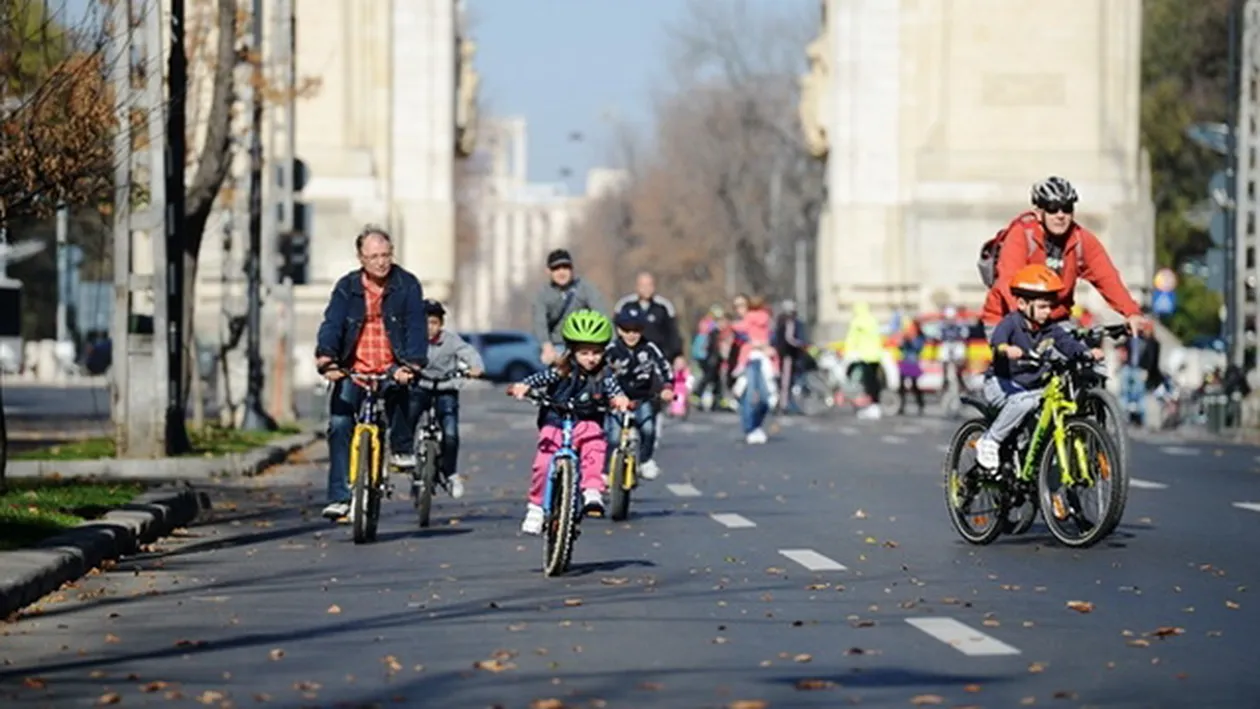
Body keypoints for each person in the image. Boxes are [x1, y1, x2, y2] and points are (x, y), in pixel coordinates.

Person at [314, 226, 428, 520]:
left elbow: (416, 327)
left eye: (385, 255)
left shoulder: (407, 284)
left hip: (393, 365)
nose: (381, 262)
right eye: (373, 256)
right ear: (360, 258)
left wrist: (412, 364)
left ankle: (401, 447)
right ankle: (340, 497)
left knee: (408, 395)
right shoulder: (346, 287)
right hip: (353, 367)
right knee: (340, 424)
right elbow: (332, 324)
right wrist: (327, 359)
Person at [507, 309, 631, 534]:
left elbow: (614, 390)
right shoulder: (561, 370)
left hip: (587, 420)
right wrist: (524, 386)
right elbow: (540, 378)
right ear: (572, 351)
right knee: (543, 464)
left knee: (596, 445)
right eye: (584, 352)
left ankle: (592, 491)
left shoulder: (605, 374)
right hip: (556, 421)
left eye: (596, 352)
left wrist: (619, 399)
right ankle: (536, 508)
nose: (591, 358)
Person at [975, 264, 1104, 470]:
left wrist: (1086, 352)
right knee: (1025, 403)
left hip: (1030, 389)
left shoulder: (1050, 329)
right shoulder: (1011, 323)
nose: (1048, 312)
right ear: (1022, 304)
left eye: (1050, 307)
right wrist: (1006, 349)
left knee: (1045, 410)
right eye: (1043, 307)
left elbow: (1067, 343)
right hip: (1002, 384)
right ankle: (991, 440)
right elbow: (998, 340)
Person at [982, 176, 1147, 336]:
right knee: (1023, 361)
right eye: (1053, 208)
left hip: (1055, 322)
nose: (1060, 215)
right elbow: (1008, 282)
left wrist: (1131, 312)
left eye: (1067, 208)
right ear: (1039, 213)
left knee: (1085, 359)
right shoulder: (1022, 235)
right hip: (1007, 319)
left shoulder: (1081, 239)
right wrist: (1030, 320)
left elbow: (1107, 277)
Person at [415, 299, 485, 499]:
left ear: (441, 324)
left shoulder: (451, 340)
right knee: (408, 420)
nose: (430, 328)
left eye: (434, 323)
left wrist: (475, 368)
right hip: (420, 387)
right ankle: (409, 459)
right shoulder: (413, 340)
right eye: (426, 322)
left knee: (450, 433)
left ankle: (450, 473)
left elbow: (469, 352)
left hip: (446, 388)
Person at [604, 303, 674, 480]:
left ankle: (645, 460)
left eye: (636, 330)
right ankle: (606, 471)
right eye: (627, 330)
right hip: (617, 399)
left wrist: (667, 387)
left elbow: (664, 367)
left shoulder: (649, 348)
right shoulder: (612, 350)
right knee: (612, 436)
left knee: (649, 429)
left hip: (642, 398)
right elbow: (600, 370)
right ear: (619, 330)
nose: (631, 335)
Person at [531, 249, 609, 366]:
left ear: (572, 269)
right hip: (557, 345)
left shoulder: (585, 288)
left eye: (565, 267)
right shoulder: (543, 294)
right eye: (556, 269)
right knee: (551, 371)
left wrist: (610, 343)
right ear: (548, 271)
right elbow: (540, 322)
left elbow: (602, 315)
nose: (561, 272)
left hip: (585, 342)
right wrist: (546, 345)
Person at [614, 271, 686, 373]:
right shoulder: (625, 306)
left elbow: (673, 333)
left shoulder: (663, 307)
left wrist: (678, 355)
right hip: (631, 360)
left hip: (659, 359)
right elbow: (616, 331)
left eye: (649, 285)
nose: (646, 288)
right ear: (637, 286)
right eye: (643, 285)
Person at [731, 295, 777, 444]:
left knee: (762, 398)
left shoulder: (760, 323)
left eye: (742, 305)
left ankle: (754, 426)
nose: (740, 310)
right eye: (737, 306)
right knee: (748, 397)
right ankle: (751, 428)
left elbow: (770, 339)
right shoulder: (741, 326)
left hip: (755, 361)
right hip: (744, 362)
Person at [844, 301, 885, 419]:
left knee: (866, 382)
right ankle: (875, 405)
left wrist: (848, 352)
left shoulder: (857, 322)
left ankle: (872, 407)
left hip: (864, 356)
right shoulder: (873, 320)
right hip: (876, 356)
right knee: (874, 382)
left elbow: (852, 338)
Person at [897, 318, 926, 416]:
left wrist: (910, 340)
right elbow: (901, 348)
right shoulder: (907, 335)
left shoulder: (920, 336)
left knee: (914, 385)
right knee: (901, 386)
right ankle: (901, 405)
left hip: (913, 362)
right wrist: (903, 341)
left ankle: (920, 404)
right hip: (905, 361)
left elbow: (917, 348)